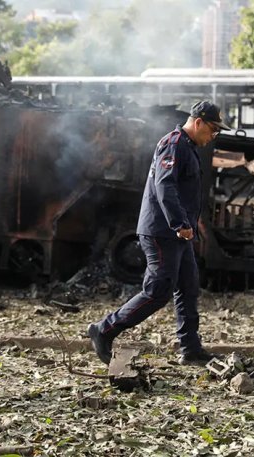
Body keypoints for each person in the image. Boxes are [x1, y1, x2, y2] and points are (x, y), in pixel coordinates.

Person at [87, 100, 230, 366]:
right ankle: (104, 329)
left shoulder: (187, 146)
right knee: (157, 292)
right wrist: (179, 223)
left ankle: (190, 350)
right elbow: (165, 186)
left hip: (177, 233)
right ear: (198, 122)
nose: (214, 136)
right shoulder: (174, 144)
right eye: (213, 129)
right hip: (163, 232)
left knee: (188, 287)